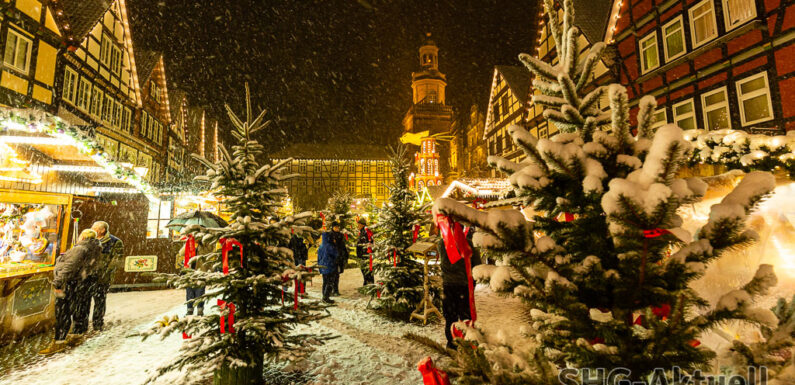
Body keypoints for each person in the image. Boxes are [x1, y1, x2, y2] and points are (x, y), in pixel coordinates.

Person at [39, 229, 101, 355]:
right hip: (82, 283)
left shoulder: (80, 249)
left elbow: (69, 267)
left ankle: (59, 342)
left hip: (71, 284)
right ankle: (77, 335)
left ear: (82, 237)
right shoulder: (95, 248)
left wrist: (58, 282)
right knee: (80, 309)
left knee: (63, 313)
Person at [437, 226, 482, 349]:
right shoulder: (469, 244)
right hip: (464, 286)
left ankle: (451, 344)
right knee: (465, 317)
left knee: (450, 318)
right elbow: (477, 265)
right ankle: (466, 344)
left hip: (448, 286)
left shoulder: (441, 243)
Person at [84, 221, 123, 332]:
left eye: (95, 228)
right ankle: (84, 324)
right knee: (85, 301)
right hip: (88, 276)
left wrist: (105, 273)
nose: (92, 229)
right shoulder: (90, 240)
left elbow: (116, 261)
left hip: (102, 277)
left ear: (102, 230)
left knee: (99, 300)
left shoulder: (115, 242)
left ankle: (97, 323)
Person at [176, 238, 214, 316]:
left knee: (200, 293)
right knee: (189, 293)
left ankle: (200, 310)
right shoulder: (189, 243)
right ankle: (190, 310)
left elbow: (210, 252)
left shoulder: (204, 245)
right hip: (189, 273)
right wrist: (188, 243)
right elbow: (181, 253)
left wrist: (201, 243)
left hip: (200, 272)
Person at [316, 232, 338, 304]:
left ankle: (324, 295)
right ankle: (326, 297)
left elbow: (319, 257)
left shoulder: (321, 246)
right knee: (330, 282)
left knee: (325, 282)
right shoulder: (330, 246)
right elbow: (336, 254)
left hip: (323, 266)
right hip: (330, 266)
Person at [328, 221, 349, 296]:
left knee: (336, 274)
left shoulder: (340, 235)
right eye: (335, 227)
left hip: (339, 257)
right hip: (332, 258)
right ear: (332, 227)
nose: (337, 228)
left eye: (337, 227)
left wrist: (345, 254)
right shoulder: (330, 235)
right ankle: (331, 290)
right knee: (332, 275)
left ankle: (335, 290)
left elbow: (342, 246)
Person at [355, 218, 374, 285]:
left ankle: (369, 282)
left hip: (365, 254)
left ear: (362, 225)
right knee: (364, 269)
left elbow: (368, 242)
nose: (358, 226)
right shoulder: (362, 232)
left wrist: (364, 251)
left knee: (367, 269)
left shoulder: (366, 231)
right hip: (362, 254)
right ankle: (367, 281)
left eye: (359, 224)